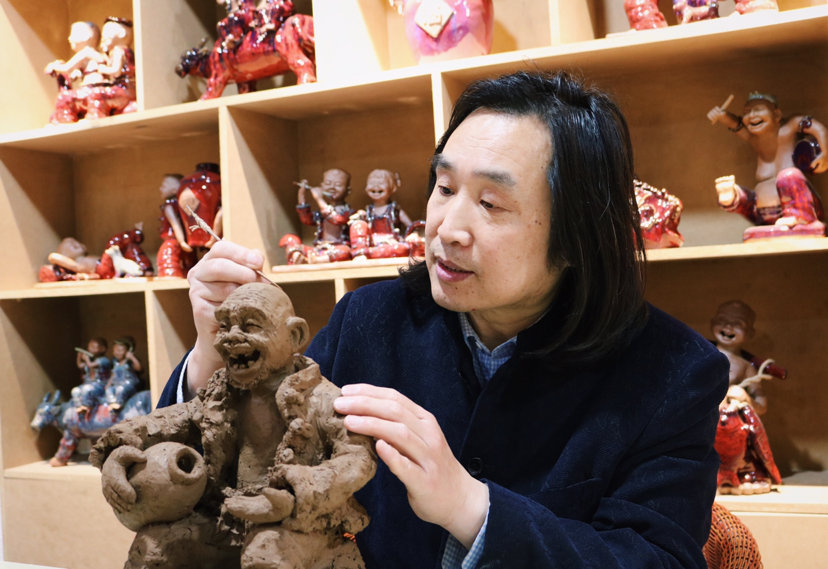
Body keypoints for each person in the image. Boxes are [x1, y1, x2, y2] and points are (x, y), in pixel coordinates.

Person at [159, 71, 729, 568]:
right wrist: (214, 352)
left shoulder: (674, 373)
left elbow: (656, 558)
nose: (447, 228)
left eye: (490, 203)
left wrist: (472, 508)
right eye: (445, 186)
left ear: (579, 233)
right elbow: (219, 476)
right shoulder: (370, 319)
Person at [707, 92, 827, 240]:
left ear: (777, 115)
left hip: (798, 207)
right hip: (763, 213)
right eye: (747, 112)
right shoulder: (755, 139)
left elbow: (817, 128)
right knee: (738, 193)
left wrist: (825, 154)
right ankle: (731, 198)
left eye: (758, 110)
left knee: (788, 175)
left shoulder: (789, 128)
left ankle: (800, 216)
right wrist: (722, 115)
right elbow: (736, 125)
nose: (752, 115)